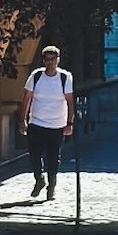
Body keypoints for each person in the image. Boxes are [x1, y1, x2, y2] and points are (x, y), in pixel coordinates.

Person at [21, 44, 75, 201]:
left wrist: (69, 123)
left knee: (53, 157)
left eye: (53, 59)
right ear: (43, 61)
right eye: (47, 59)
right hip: (36, 122)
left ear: (58, 60)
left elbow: (70, 101)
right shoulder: (36, 76)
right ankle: (39, 179)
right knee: (34, 154)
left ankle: (52, 186)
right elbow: (27, 98)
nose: (50, 62)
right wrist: (22, 120)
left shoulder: (65, 77)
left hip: (56, 124)